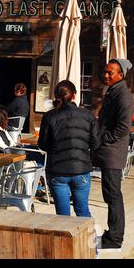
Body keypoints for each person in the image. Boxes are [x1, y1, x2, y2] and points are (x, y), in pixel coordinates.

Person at [38, 80, 100, 218]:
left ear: (56, 96)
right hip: (81, 167)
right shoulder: (87, 115)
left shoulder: (49, 116)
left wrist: (56, 147)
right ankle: (86, 239)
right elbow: (96, 143)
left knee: (62, 216)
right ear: (74, 95)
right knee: (83, 211)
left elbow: (42, 144)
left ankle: (65, 239)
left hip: (57, 169)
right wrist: (82, 146)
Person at [93, 58, 134, 251]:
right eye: (105, 71)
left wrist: (103, 138)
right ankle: (112, 233)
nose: (106, 75)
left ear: (120, 75)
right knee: (110, 194)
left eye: (111, 72)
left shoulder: (123, 95)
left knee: (113, 195)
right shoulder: (113, 92)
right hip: (108, 151)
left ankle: (115, 238)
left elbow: (124, 127)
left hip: (113, 153)